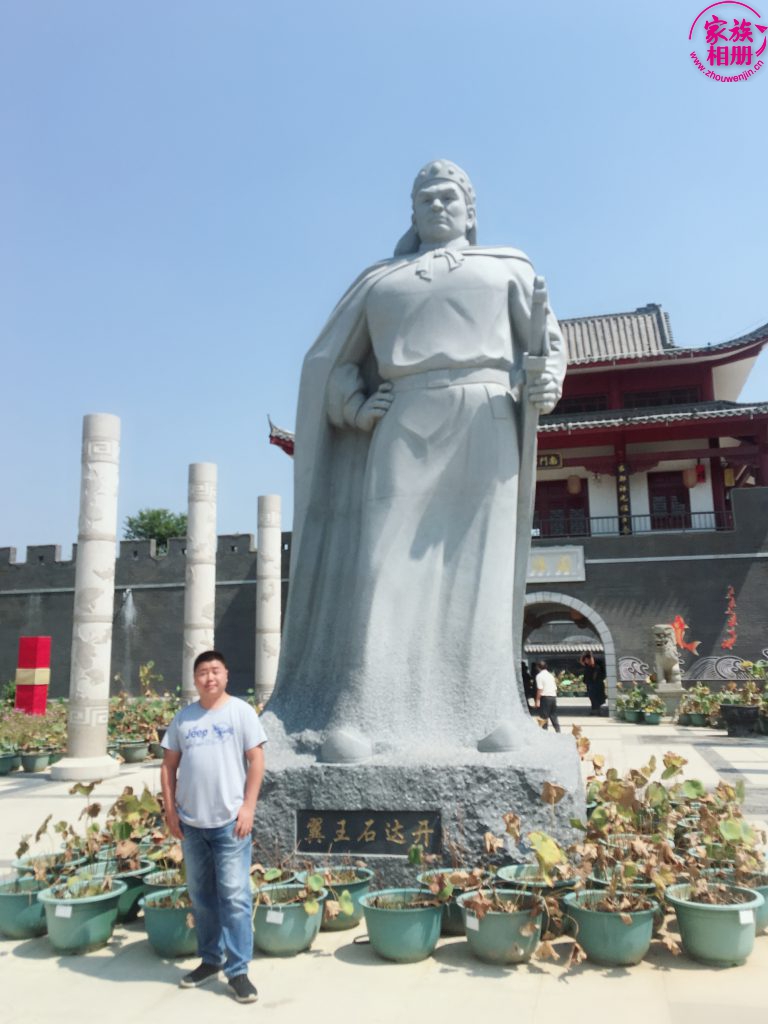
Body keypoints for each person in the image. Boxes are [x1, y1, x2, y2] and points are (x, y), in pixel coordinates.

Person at [263, 159, 566, 762]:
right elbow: (327, 364)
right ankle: (363, 713)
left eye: (449, 196)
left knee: (479, 569)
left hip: (486, 414)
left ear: (470, 209)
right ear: (412, 212)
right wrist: (353, 408)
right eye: (425, 198)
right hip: (404, 419)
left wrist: (547, 380)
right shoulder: (381, 282)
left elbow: (548, 345)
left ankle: (488, 712)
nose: (437, 205)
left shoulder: (507, 268)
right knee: (383, 567)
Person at [161, 650, 266, 1004]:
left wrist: (248, 807)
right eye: (203, 672)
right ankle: (210, 960)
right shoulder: (184, 718)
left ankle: (238, 972)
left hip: (230, 824)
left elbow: (256, 760)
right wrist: (170, 811)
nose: (209, 678)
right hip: (192, 824)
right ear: (195, 680)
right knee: (202, 896)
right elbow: (168, 766)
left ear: (226, 675)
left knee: (234, 896)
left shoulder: (241, 712)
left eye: (215, 671)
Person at [535, 660, 561, 733]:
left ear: (538, 667)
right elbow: (555, 688)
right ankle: (558, 730)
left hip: (545, 697)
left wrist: (537, 700)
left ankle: (544, 731)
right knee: (553, 715)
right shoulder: (550, 675)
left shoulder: (539, 676)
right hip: (553, 697)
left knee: (544, 716)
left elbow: (540, 689)